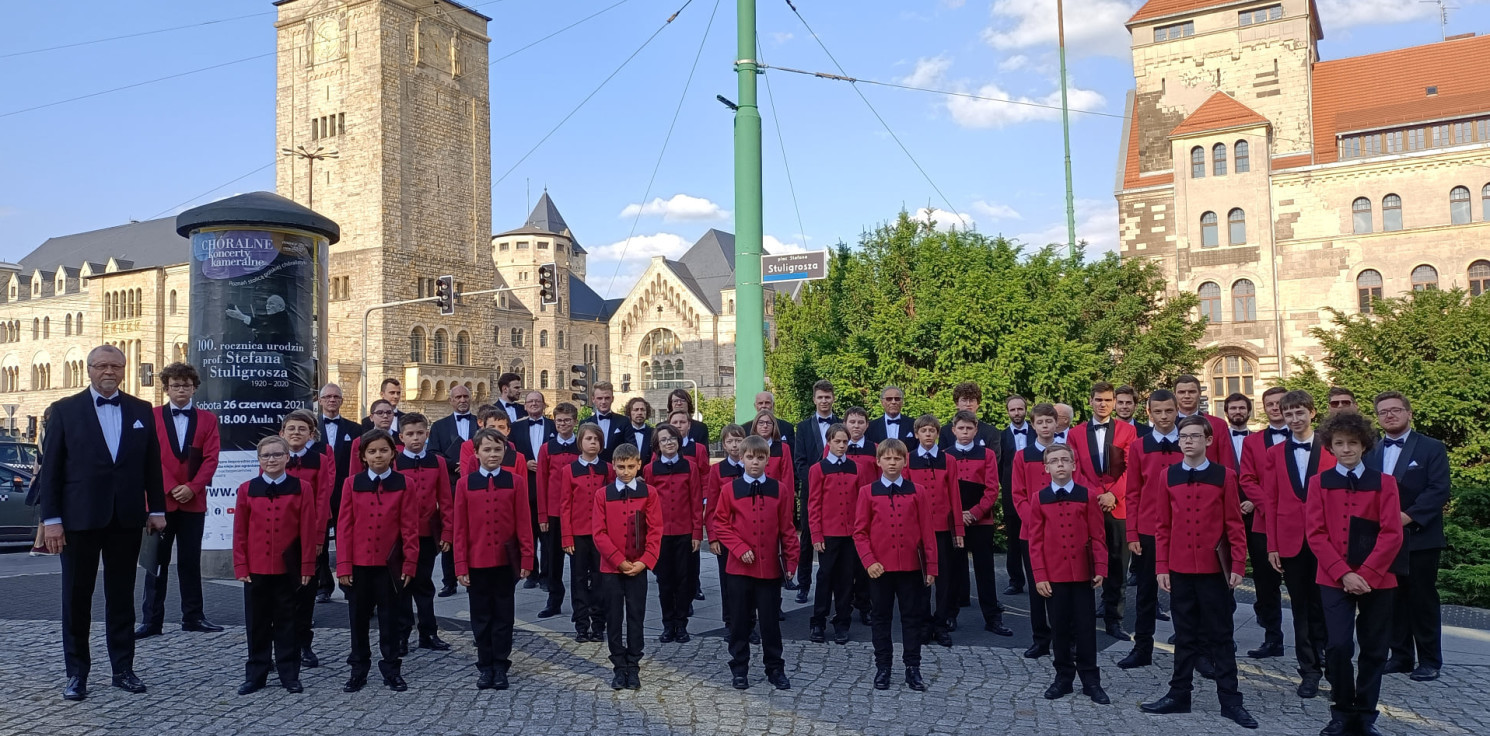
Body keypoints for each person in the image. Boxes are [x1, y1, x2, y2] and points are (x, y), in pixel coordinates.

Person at [38, 344, 166, 701]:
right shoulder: (65, 410)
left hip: (125, 518)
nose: (108, 371)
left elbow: (151, 466)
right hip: (78, 519)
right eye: (101, 366)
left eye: (115, 366)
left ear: (124, 370)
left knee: (121, 596)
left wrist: (156, 508)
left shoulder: (141, 410)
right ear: (89, 369)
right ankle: (77, 674)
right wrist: (51, 521)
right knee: (76, 598)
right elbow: (51, 472)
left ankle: (123, 669)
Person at [1139, 416, 1256, 729]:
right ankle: (1179, 694)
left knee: (1221, 636)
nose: (1188, 441)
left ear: (1208, 440)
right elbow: (1162, 526)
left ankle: (1231, 701)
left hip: (1214, 570)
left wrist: (1238, 566)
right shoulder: (1168, 476)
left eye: (1195, 436)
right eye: (1184, 436)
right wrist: (1161, 566)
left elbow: (1234, 524)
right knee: (1185, 635)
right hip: (1179, 568)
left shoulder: (1225, 475)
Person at [1308, 411, 1404, 736]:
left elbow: (1392, 533)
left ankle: (1365, 715)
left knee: (1375, 648)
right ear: (1330, 447)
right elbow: (1316, 534)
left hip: (1379, 578)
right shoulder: (1319, 483)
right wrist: (1344, 574)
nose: (1346, 449)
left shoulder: (1385, 483)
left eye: (1352, 443)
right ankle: (1341, 711)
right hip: (1333, 578)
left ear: (1363, 445)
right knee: (1337, 646)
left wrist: (1366, 572)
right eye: (1339, 443)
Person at [137, 362, 223, 639]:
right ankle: (151, 620)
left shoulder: (209, 420)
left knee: (190, 561)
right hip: (160, 503)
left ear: (194, 388)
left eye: (186, 385)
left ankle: (193, 616)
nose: (181, 389)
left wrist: (193, 487)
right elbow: (149, 458)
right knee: (156, 563)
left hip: (193, 502)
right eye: (175, 385)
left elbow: (211, 459)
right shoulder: (151, 417)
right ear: (167, 389)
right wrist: (174, 486)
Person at [1369, 391, 1450, 683]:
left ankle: (1429, 660)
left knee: (1421, 599)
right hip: (1383, 538)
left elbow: (1438, 489)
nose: (1389, 415)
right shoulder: (1372, 450)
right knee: (1392, 598)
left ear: (1409, 413)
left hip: (1419, 536)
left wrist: (1407, 517)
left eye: (1395, 410)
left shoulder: (1432, 447)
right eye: (1383, 412)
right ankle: (1401, 656)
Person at [232, 435, 318, 695]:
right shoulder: (246, 489)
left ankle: (289, 674)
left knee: (287, 623)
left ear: (287, 457)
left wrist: (306, 567)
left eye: (276, 454)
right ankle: (256, 674)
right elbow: (240, 532)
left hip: (287, 570)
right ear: (259, 460)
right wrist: (241, 566)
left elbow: (308, 530)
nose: (271, 459)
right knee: (256, 624)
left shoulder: (302, 488)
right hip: (256, 569)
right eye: (266, 455)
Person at [713, 435, 799, 690]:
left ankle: (775, 668)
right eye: (750, 457)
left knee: (770, 623)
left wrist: (792, 561)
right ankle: (739, 668)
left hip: (770, 570)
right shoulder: (730, 489)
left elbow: (787, 528)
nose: (754, 462)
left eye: (760, 458)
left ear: (767, 461)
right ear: (742, 458)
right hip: (739, 570)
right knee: (739, 622)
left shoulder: (779, 489)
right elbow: (720, 524)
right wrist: (738, 548)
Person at [1265, 389, 1336, 699]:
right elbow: (1271, 500)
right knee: (1301, 609)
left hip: (1329, 541)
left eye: (1299, 413)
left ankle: (1335, 670)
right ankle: (1309, 670)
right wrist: (1272, 545)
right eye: (1289, 413)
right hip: (1291, 541)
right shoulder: (1274, 453)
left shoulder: (1333, 448)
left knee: (1331, 607)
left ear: (1312, 413)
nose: (1294, 419)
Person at [336, 430, 419, 692]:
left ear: (393, 453)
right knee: (358, 621)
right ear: (363, 456)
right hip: (359, 565)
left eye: (383, 450)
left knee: (389, 621)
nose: (378, 456)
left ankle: (392, 668)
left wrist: (409, 564)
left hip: (389, 567)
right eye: (372, 451)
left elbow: (410, 528)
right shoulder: (351, 483)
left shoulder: (405, 484)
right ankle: (358, 668)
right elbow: (345, 527)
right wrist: (344, 565)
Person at [1027, 443, 1109, 705]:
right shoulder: (1038, 498)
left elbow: (1098, 535)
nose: (1060, 464)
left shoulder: (1088, 495)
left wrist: (1100, 568)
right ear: (1046, 467)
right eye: (1054, 461)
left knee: (1086, 629)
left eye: (1065, 460)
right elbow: (1035, 541)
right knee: (1059, 628)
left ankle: (1091, 680)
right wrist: (1040, 575)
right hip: (1054, 575)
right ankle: (1063, 677)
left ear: (1074, 465)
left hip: (1083, 574)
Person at [454, 428, 535, 690]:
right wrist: (460, 564)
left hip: (505, 562)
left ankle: (501, 665)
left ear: (505, 452)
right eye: (486, 449)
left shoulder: (516, 482)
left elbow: (524, 522)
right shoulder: (465, 484)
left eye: (497, 449)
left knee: (503, 616)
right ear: (476, 453)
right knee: (481, 617)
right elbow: (460, 528)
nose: (492, 454)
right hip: (476, 562)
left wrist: (527, 559)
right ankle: (484, 666)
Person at [854, 439, 936, 691]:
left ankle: (913, 667)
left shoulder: (918, 491)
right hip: (880, 569)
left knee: (912, 619)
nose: (892, 462)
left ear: (905, 461)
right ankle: (883, 667)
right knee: (881, 618)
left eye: (897, 458)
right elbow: (860, 532)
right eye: (887, 458)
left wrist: (931, 566)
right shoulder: (867, 492)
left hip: (911, 568)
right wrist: (869, 561)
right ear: (878, 461)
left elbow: (927, 531)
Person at [1067, 381, 1135, 639]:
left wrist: (1113, 495)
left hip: (1119, 507)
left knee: (1118, 566)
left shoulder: (1128, 431)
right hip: (1090, 506)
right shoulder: (1075, 433)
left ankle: (1114, 620)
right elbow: (1076, 469)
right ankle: (1083, 619)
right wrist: (1098, 496)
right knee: (1086, 562)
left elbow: (1132, 468)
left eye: (1108, 400)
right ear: (1090, 401)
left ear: (1115, 402)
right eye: (1099, 400)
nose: (1103, 404)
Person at [1120, 388, 1184, 665]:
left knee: (1183, 592)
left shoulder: (1188, 440)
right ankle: (1142, 647)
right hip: (1148, 528)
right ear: (1148, 412)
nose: (1163, 417)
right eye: (1157, 412)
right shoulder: (1138, 446)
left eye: (1169, 411)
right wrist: (1131, 532)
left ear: (1176, 410)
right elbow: (1132, 491)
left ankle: (1189, 649)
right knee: (1145, 592)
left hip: (1183, 528)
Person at [594, 443, 662, 690]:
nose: (625, 471)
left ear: (639, 465)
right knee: (613, 618)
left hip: (638, 567)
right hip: (612, 568)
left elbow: (656, 530)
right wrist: (617, 560)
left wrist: (644, 561)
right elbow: (598, 533)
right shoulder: (602, 494)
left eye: (630, 466)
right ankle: (618, 666)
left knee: (636, 617)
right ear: (613, 466)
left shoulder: (649, 493)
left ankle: (633, 666)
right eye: (621, 467)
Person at [948, 410, 1013, 636]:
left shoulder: (986, 455)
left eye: (969, 428)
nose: (965, 432)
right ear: (953, 430)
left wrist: (973, 513)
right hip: (955, 522)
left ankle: (992, 618)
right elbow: (943, 491)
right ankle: (950, 615)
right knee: (954, 570)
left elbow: (992, 488)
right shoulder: (946, 455)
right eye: (961, 428)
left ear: (976, 430)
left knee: (985, 571)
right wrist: (958, 515)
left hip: (981, 521)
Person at [393, 412, 453, 654]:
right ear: (401, 437)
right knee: (402, 585)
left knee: (424, 583)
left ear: (427, 435)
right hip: (400, 536)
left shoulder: (436, 462)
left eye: (420, 433)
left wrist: (447, 531)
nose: (415, 438)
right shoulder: (395, 462)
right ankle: (402, 634)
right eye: (410, 434)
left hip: (427, 533)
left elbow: (445, 499)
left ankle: (428, 632)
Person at [808, 423, 873, 644]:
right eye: (837, 441)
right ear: (829, 442)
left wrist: (862, 531)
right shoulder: (818, 469)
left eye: (845, 442)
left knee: (846, 579)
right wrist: (816, 535)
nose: (842, 445)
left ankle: (842, 622)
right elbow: (813, 504)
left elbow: (864, 502)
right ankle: (818, 621)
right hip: (828, 533)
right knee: (825, 577)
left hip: (851, 534)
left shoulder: (857, 468)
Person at [279, 410, 335, 668]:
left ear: (311, 434)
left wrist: (318, 538)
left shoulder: (320, 460)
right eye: (291, 429)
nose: (296, 433)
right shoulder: (274, 457)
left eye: (302, 429)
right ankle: (279, 646)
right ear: (282, 433)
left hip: (309, 536)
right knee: (280, 595)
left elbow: (323, 500)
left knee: (305, 593)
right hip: (280, 535)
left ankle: (304, 644)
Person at [1238, 387, 1289, 659]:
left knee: (1302, 584)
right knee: (1266, 584)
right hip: (1263, 522)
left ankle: (1316, 642)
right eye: (1270, 404)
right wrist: (1270, 506)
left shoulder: (1312, 440)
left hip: (1298, 523)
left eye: (1280, 403)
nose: (1275, 407)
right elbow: (1247, 479)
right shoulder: (1253, 442)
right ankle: (1273, 638)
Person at [905, 414, 963, 646]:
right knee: (920, 579)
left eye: (932, 430)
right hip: (917, 530)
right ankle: (923, 623)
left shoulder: (948, 460)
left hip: (941, 528)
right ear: (917, 434)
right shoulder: (908, 460)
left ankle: (941, 623)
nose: (928, 434)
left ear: (938, 434)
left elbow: (955, 497)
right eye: (924, 430)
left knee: (944, 578)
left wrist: (958, 530)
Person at [1010, 402, 1062, 659]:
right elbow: (1018, 494)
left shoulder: (1065, 454)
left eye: (1048, 422)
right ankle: (1040, 639)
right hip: (1031, 532)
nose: (1044, 426)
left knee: (1062, 588)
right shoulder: (1023, 456)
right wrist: (1035, 522)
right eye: (1039, 422)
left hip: (1063, 533)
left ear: (1056, 424)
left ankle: (1066, 638)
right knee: (1036, 588)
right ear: (1033, 425)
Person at [644, 424, 703, 643]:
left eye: (672, 439)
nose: (668, 443)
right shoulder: (650, 470)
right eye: (663, 440)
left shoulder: (691, 467)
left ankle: (682, 624)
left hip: (685, 532)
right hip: (660, 535)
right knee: (665, 581)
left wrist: (697, 533)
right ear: (657, 446)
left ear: (678, 441)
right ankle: (668, 625)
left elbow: (696, 502)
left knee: (684, 580)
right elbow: (647, 505)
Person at [560, 424, 614, 642]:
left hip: (601, 534)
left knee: (601, 580)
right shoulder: (569, 470)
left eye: (597, 439)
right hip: (579, 534)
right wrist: (567, 537)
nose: (593, 442)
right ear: (580, 442)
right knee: (579, 579)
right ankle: (581, 624)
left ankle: (599, 623)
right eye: (589, 438)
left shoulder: (608, 469)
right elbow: (565, 505)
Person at [315, 383, 362, 603]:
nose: (332, 400)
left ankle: (349, 585)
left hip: (345, 492)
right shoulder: (310, 428)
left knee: (347, 538)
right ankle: (324, 585)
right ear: (321, 400)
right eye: (328, 397)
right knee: (320, 541)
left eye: (336, 397)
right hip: (320, 494)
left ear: (341, 401)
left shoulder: (355, 429)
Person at [793, 380, 839, 603]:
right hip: (810, 491)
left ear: (833, 398)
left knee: (834, 540)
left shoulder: (842, 423)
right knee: (807, 541)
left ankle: (835, 586)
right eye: (820, 397)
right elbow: (799, 461)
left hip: (837, 492)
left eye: (827, 397)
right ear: (814, 399)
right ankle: (803, 585)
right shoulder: (802, 427)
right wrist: (813, 482)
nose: (824, 401)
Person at [428, 384, 474, 598]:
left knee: (472, 532)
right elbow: (433, 453)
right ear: (451, 400)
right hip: (451, 485)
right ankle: (449, 581)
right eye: (458, 397)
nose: (462, 400)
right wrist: (454, 463)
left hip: (475, 485)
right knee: (451, 532)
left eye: (466, 396)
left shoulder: (479, 423)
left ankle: (472, 574)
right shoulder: (439, 426)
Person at [536, 402, 580, 618]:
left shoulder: (581, 446)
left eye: (567, 420)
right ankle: (554, 600)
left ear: (575, 422)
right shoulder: (546, 448)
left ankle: (579, 604)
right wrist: (542, 514)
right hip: (553, 513)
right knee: (553, 560)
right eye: (559, 420)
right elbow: (541, 483)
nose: (563, 424)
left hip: (576, 513)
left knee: (578, 562)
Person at [708, 425, 749, 633]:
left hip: (748, 533)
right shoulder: (717, 470)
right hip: (726, 534)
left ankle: (749, 623)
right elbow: (712, 506)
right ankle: (730, 622)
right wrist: (713, 537)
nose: (735, 445)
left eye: (738, 440)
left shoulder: (751, 466)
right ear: (723, 445)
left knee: (749, 582)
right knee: (727, 581)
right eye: (730, 441)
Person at [513, 391, 555, 589]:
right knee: (528, 533)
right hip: (526, 485)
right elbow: (511, 453)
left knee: (547, 536)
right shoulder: (515, 428)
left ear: (544, 405)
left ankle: (547, 576)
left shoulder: (554, 426)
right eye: (530, 401)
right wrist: (524, 462)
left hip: (547, 488)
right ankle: (532, 573)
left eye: (537, 401)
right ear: (525, 406)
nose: (534, 404)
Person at [999, 394, 1031, 596]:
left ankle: (1039, 577)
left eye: (1020, 409)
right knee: (1013, 540)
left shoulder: (1037, 432)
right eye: (1013, 409)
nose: (1017, 413)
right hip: (1012, 494)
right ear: (1008, 412)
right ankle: (1015, 581)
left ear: (1025, 410)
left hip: (1037, 493)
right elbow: (999, 466)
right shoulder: (1001, 437)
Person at [1172, 375, 1228, 465]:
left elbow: (1227, 462)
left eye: (1192, 392)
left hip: (1210, 478)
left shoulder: (1218, 425)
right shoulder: (1166, 425)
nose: (1187, 396)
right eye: (1182, 392)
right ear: (1175, 395)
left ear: (1200, 394)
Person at [939, 382, 1000, 449]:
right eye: (964, 400)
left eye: (972, 400)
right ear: (957, 404)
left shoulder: (991, 432)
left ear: (978, 404)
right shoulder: (946, 431)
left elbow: (994, 458)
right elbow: (942, 457)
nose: (968, 404)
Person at [348, 400, 401, 478]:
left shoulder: (402, 439)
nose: (385, 416)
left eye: (389, 412)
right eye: (380, 413)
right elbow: (355, 470)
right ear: (371, 417)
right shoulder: (359, 441)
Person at [582, 381, 629, 463]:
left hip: (617, 468)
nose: (603, 402)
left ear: (612, 399)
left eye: (607, 398)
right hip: (592, 469)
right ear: (593, 399)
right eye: (599, 398)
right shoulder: (585, 423)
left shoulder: (624, 421)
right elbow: (581, 449)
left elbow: (629, 448)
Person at [624, 397, 654, 466]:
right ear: (630, 412)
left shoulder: (654, 433)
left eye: (642, 410)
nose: (639, 413)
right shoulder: (623, 433)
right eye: (636, 410)